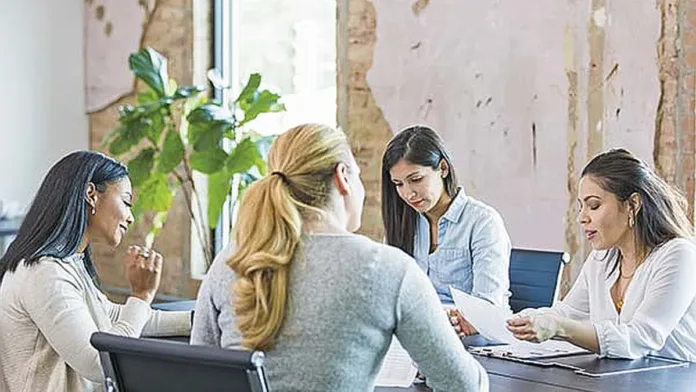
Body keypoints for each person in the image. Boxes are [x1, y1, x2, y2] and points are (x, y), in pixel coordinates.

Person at [191, 124, 488, 392]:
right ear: (343, 177)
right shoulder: (388, 269)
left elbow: (197, 375)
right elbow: (464, 386)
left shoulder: (231, 261)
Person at [0, 151, 192, 392]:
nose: (130, 217)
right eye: (126, 201)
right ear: (91, 194)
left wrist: (198, 319)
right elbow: (100, 363)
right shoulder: (44, 273)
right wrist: (141, 294)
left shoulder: (69, 263)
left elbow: (115, 316)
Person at [506, 148, 696, 362]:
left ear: (633, 204)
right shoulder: (602, 258)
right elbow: (567, 313)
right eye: (581, 207)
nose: (582, 218)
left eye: (593, 205)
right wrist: (511, 322)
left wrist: (558, 327)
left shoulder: (679, 255)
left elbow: (639, 338)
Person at [381, 124, 511, 337]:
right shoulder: (402, 224)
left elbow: (486, 308)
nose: (408, 194)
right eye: (399, 184)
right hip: (419, 338)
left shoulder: (483, 222)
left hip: (475, 342)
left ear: (443, 168)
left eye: (416, 179)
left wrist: (429, 317)